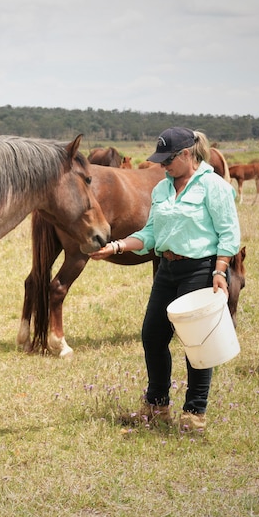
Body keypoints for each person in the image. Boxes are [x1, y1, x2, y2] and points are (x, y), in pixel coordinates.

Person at [90, 127, 241, 433]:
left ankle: (195, 413)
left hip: (199, 269)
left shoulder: (213, 187)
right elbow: (151, 234)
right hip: (167, 270)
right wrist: (117, 246)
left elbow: (229, 234)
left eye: (168, 159)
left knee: (195, 342)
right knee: (152, 336)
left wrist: (220, 270)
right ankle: (157, 406)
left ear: (187, 154)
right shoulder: (162, 189)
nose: (163, 166)